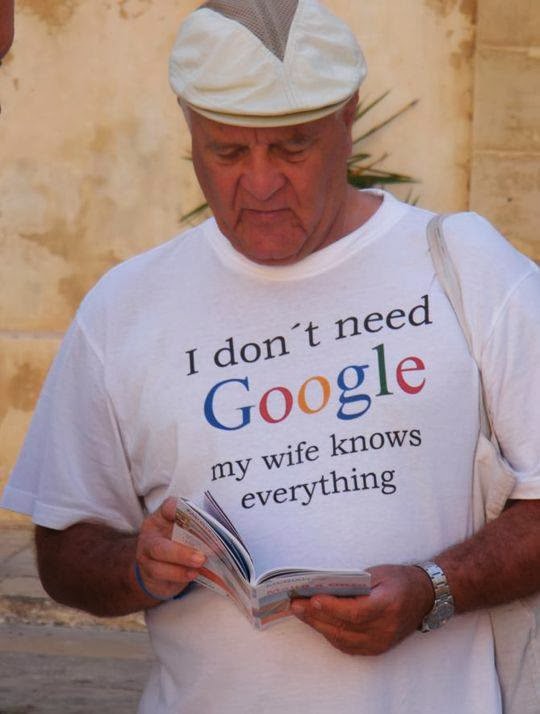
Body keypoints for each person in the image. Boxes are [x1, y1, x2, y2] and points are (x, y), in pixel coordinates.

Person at [2, 1, 539, 712]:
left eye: (292, 148)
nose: (259, 184)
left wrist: (435, 588)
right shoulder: (123, 307)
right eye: (227, 153)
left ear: (348, 120)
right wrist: (138, 567)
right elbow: (64, 548)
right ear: (189, 130)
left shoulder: (468, 266)